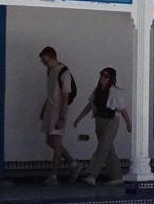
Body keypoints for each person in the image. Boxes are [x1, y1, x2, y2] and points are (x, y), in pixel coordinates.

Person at [73, 66, 131, 185]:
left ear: (111, 79)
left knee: (103, 147)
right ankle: (116, 176)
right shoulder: (97, 91)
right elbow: (90, 105)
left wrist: (128, 124)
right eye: (101, 75)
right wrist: (79, 118)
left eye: (105, 76)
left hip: (112, 121)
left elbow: (123, 110)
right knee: (108, 149)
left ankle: (92, 174)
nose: (102, 78)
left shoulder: (115, 92)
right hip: (100, 120)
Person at [38, 47, 79, 184]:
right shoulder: (50, 71)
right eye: (43, 61)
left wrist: (62, 116)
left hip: (58, 112)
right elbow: (51, 92)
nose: (44, 64)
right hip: (50, 110)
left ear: (54, 58)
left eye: (46, 61)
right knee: (50, 141)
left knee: (56, 142)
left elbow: (66, 96)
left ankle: (54, 175)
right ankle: (72, 163)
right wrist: (44, 109)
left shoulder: (64, 73)